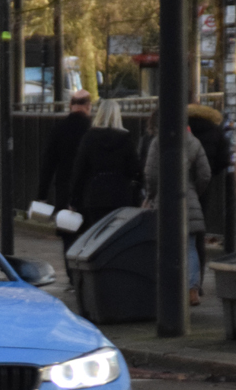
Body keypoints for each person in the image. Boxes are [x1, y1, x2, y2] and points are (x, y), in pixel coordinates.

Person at [143, 123, 212, 306]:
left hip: (163, 201)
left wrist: (151, 195)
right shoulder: (194, 142)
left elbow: (151, 174)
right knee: (189, 246)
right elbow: (205, 174)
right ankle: (191, 290)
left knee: (164, 246)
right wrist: (193, 191)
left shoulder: (157, 142)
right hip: (189, 199)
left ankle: (166, 288)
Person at [36, 90, 93, 279]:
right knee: (89, 233)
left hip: (65, 189)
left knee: (69, 234)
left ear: (71, 105)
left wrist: (41, 194)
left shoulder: (59, 128)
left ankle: (71, 276)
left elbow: (48, 163)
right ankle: (86, 273)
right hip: (89, 190)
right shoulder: (93, 128)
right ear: (88, 106)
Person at [69, 98, 142, 230]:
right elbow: (134, 169)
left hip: (95, 194)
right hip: (121, 194)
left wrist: (74, 199)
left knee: (97, 234)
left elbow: (79, 169)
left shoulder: (89, 137)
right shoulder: (126, 138)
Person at [187, 102, 227, 289]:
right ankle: (197, 283)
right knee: (198, 234)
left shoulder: (181, 129)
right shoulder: (215, 130)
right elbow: (223, 160)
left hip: (180, 185)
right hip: (203, 187)